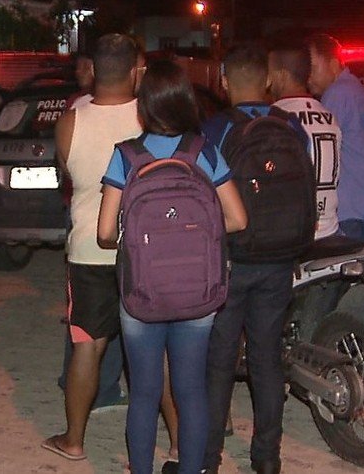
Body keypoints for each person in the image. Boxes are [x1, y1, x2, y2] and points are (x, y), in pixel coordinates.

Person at [97, 60, 247, 474]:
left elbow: (105, 232)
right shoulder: (204, 152)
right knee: (191, 391)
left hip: (141, 293)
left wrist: (139, 237)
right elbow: (238, 219)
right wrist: (197, 233)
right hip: (197, 292)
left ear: (143, 106)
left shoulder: (127, 156)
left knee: (145, 394)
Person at [202, 44, 306, 474]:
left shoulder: (215, 128)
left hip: (232, 257)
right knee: (267, 358)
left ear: (224, 81)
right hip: (280, 258)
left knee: (219, 360)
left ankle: (208, 457)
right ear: (266, 81)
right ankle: (267, 458)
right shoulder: (291, 126)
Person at [42, 34, 144, 462]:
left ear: (94, 69)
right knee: (156, 349)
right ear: (136, 71)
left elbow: (67, 174)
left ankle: (74, 440)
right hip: (145, 249)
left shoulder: (70, 121)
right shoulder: (151, 117)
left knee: (87, 344)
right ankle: (178, 444)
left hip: (89, 249)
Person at [307, 34, 364, 241]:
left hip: (352, 207)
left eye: (313, 68)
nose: (308, 77)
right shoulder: (354, 89)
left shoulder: (337, 93)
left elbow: (322, 148)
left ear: (332, 64)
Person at [270, 41, 342, 239]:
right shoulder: (329, 117)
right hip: (329, 229)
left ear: (281, 76)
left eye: (270, 74)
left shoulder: (274, 118)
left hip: (294, 234)